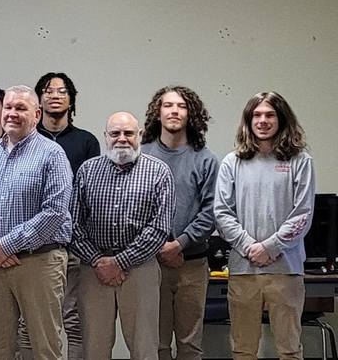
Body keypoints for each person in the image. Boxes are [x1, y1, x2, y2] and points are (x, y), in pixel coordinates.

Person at [0, 85, 73, 359]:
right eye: (8, 107)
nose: (12, 113)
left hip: (40, 263)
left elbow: (55, 212)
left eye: (20, 108)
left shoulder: (52, 154)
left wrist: (7, 245)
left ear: (36, 114)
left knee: (44, 347)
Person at [215, 91, 315, 360]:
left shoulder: (300, 161)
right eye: (256, 115)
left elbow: (303, 214)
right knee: (243, 350)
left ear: (281, 119)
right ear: (248, 121)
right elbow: (222, 213)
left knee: (290, 349)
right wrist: (250, 248)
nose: (262, 120)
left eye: (269, 114)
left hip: (286, 270)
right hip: (243, 270)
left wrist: (271, 248)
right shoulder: (232, 162)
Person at [70, 112, 174, 360]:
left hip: (140, 270)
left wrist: (120, 262)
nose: (122, 139)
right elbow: (73, 224)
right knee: (93, 349)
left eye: (128, 133)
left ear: (139, 135)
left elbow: (159, 228)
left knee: (145, 348)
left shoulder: (159, 172)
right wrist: (98, 260)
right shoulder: (87, 171)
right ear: (105, 137)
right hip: (93, 270)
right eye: (115, 133)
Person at [18, 72, 99, 360]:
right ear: (39, 101)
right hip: (32, 246)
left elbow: (90, 195)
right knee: (28, 321)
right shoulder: (24, 142)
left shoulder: (86, 142)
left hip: (73, 245)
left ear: (71, 99)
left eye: (62, 91)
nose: (55, 95)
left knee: (72, 319)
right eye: (48, 90)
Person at [140, 86, 218, 360]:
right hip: (150, 265)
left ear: (191, 114)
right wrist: (160, 246)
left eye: (181, 106)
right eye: (168, 105)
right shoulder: (142, 155)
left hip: (193, 265)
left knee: (190, 345)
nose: (174, 111)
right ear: (157, 113)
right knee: (156, 345)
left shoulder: (206, 159)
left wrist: (179, 244)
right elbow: (134, 208)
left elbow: (211, 211)